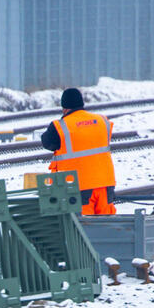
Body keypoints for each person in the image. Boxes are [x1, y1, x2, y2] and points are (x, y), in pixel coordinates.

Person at [40, 87, 117, 215]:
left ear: (64, 107)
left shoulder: (60, 126)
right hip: (105, 184)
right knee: (108, 226)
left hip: (78, 186)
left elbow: (47, 142)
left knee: (83, 229)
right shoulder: (102, 121)